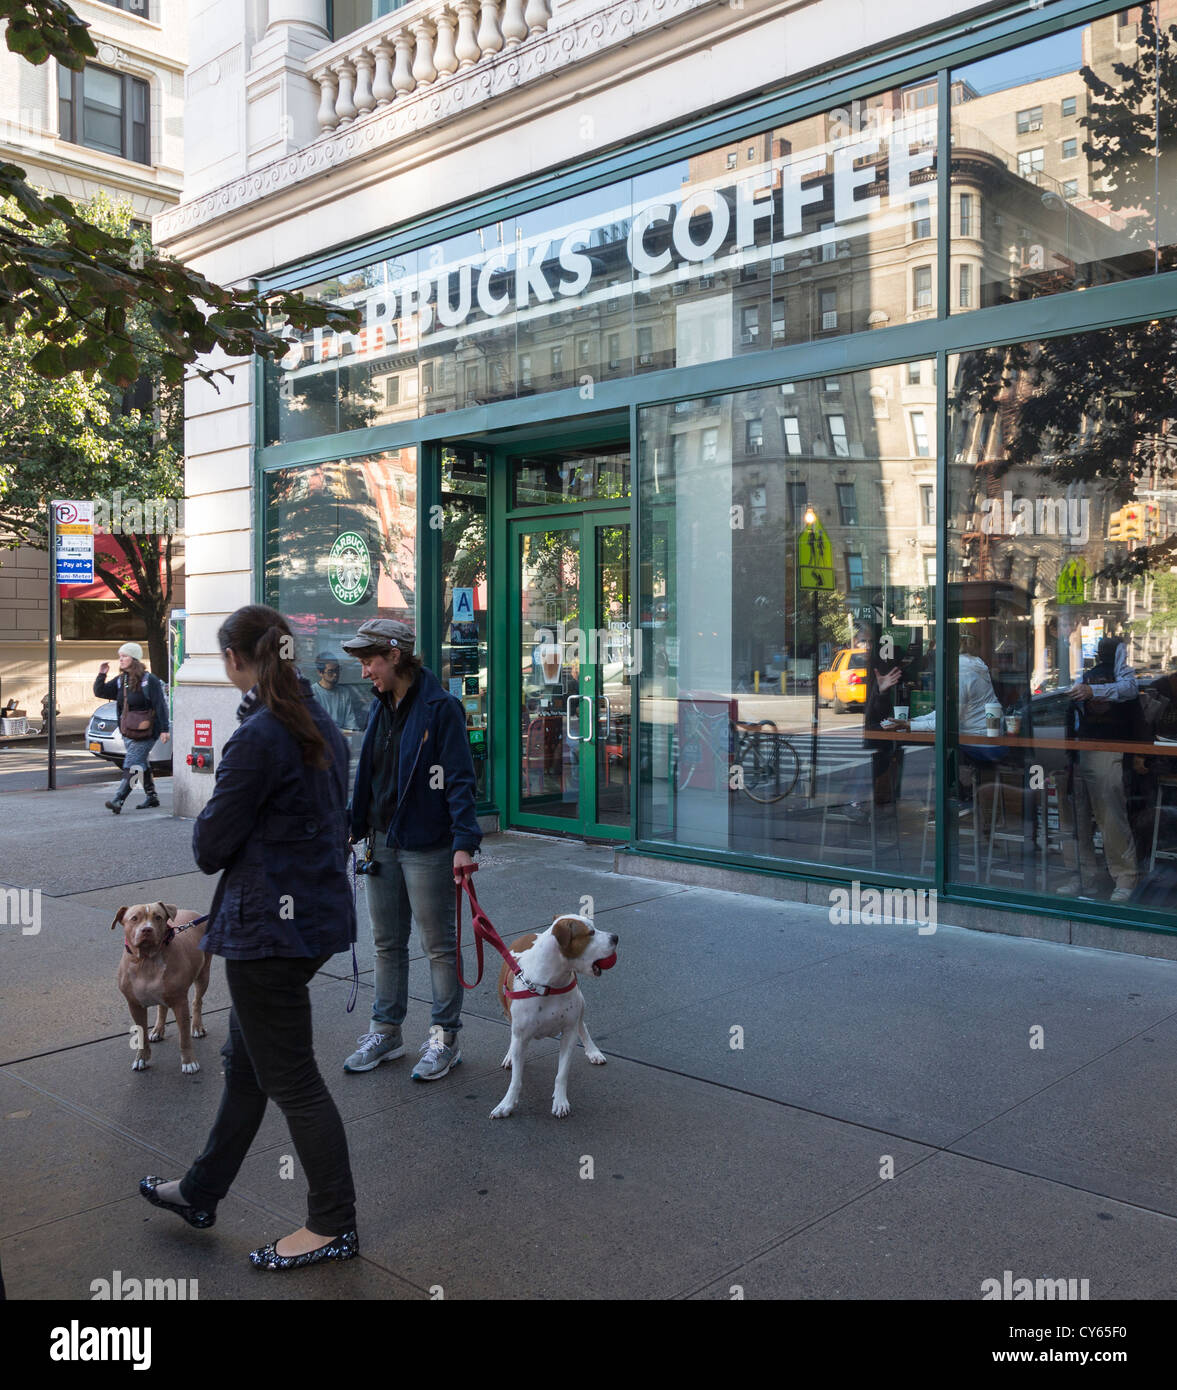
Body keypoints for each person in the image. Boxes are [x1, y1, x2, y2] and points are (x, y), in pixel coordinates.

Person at [137, 604, 358, 1271]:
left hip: (268, 934)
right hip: (311, 922)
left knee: (292, 1079)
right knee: (244, 1065)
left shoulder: (261, 734)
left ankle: (333, 1224)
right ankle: (200, 1192)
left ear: (236, 660)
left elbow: (210, 847)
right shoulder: (321, 723)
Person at [342, 618, 482, 1080]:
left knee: (439, 946)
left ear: (395, 655)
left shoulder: (441, 708)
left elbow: (460, 779)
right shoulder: (380, 705)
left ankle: (445, 1038)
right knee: (386, 943)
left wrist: (464, 843)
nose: (365, 671)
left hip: (428, 845)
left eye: (370, 661)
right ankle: (386, 1031)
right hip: (380, 841)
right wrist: (353, 824)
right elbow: (371, 775)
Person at [1055, 635, 1140, 903]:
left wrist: (1094, 692)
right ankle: (1082, 876)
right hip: (1079, 749)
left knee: (1110, 816)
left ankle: (1124, 877)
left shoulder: (1120, 674)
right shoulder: (1088, 672)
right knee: (1075, 818)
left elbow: (1130, 689)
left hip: (1105, 747)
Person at [93, 642, 169, 813]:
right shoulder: (122, 680)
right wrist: (102, 674)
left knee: (132, 763)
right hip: (128, 730)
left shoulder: (150, 680)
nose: (120, 659)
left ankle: (118, 799)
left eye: (124, 656)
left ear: (134, 658)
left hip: (147, 731)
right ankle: (152, 796)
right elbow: (101, 692)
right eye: (120, 656)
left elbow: (160, 705)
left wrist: (165, 729)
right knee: (140, 762)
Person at [310, 652, 369, 732]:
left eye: (337, 670)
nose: (335, 674)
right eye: (330, 671)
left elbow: (351, 724)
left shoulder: (344, 692)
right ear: (320, 673)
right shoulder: (312, 693)